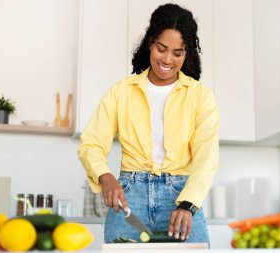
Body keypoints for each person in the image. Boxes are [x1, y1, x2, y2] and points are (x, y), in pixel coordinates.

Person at [78, 3, 219, 244]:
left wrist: (188, 205)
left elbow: (206, 158)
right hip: (129, 199)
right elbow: (91, 144)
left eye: (178, 53)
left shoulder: (200, 96)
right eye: (161, 48)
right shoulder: (122, 91)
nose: (167, 59)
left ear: (188, 54)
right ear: (150, 43)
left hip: (181, 201)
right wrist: (106, 177)